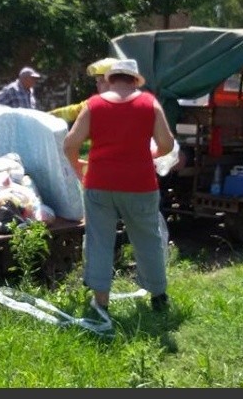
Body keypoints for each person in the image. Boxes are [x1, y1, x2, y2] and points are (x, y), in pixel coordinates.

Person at [62, 59, 175, 317]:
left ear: (110, 79)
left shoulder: (94, 105)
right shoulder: (149, 103)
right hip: (141, 184)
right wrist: (155, 153)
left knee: (99, 241)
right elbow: (167, 144)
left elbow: (70, 144)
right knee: (147, 239)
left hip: (100, 183)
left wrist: (78, 167)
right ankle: (158, 295)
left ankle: (101, 302)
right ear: (135, 80)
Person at [49, 57, 119, 123]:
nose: (97, 85)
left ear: (115, 81)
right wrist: (45, 117)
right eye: (97, 81)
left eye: (101, 81)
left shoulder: (96, 104)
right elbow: (71, 111)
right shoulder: (95, 103)